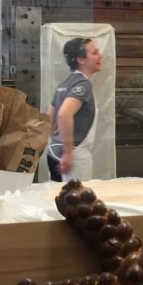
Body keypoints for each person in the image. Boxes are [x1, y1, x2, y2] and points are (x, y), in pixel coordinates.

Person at [46, 37, 103, 181]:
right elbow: (64, 114)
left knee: (58, 199)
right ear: (81, 60)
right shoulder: (83, 85)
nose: (100, 56)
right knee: (77, 201)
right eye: (95, 53)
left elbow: (48, 121)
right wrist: (68, 152)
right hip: (73, 156)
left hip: (54, 152)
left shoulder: (64, 84)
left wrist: (58, 145)